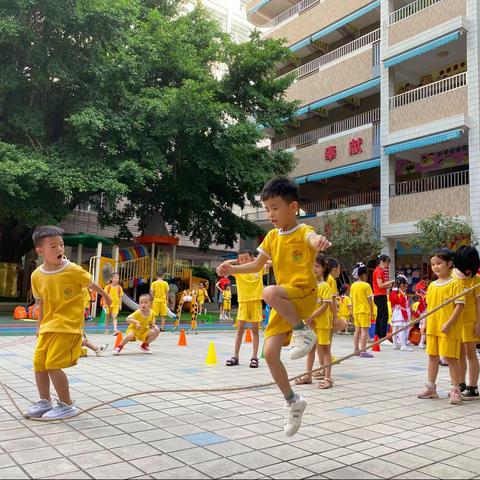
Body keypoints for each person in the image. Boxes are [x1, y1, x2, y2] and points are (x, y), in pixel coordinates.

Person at [217, 175, 331, 437]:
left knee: (267, 291)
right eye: (267, 209)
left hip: (302, 294)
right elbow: (257, 265)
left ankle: (303, 331)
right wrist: (231, 269)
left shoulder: (304, 232)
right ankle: (293, 401)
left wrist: (319, 241)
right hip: (283, 301)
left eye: (275, 208)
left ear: (293, 207)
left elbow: (314, 239)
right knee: (269, 354)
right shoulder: (271, 236)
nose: (270, 214)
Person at [24, 226, 112, 419]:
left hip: (69, 324)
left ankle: (66, 404)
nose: (59, 250)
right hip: (48, 325)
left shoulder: (72, 269)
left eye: (61, 245)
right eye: (53, 246)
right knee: (39, 362)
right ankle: (44, 401)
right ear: (40, 250)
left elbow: (91, 284)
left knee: (52, 363)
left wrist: (106, 295)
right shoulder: (37, 276)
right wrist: (39, 326)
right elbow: (42, 302)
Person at [417, 248, 465, 405]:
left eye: (439, 263)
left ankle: (456, 389)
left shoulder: (456, 283)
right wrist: (424, 322)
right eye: (433, 264)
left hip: (449, 328)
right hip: (433, 327)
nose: (435, 267)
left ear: (449, 263)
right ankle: (431, 388)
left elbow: (459, 306)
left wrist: (449, 323)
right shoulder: (432, 285)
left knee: (451, 358)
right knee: (432, 357)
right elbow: (430, 307)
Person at [225, 249, 269, 368]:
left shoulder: (258, 269)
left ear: (251, 258)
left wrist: (257, 261)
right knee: (239, 331)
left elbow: (271, 263)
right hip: (243, 303)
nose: (244, 261)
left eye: (246, 258)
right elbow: (224, 265)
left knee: (255, 331)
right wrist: (236, 261)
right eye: (241, 259)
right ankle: (235, 356)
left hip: (256, 302)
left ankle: (254, 358)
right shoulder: (237, 271)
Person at [296, 254, 334, 388]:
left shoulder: (325, 286)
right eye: (311, 266)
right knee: (310, 349)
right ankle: (308, 375)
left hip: (322, 323)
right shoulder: (309, 286)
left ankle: (328, 378)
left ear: (323, 268)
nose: (314, 269)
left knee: (325, 350)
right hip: (310, 324)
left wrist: (311, 317)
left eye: (317, 266)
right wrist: (307, 317)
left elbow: (325, 306)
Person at [453, 246, 480, 400]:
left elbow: (478, 303)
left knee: (471, 353)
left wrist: (479, 323)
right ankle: (461, 383)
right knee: (459, 354)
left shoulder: (476, 280)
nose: (469, 271)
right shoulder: (453, 277)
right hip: (456, 321)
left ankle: (473, 386)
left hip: (471, 321)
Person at [350, 263, 375, 358]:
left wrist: (352, 311)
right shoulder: (366, 286)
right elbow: (370, 300)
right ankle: (363, 350)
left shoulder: (353, 286)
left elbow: (351, 299)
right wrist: (372, 311)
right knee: (364, 330)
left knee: (357, 330)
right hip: (364, 311)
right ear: (364, 274)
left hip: (356, 310)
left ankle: (356, 349)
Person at [373, 255, 395, 340]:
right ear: (381, 261)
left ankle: (377, 335)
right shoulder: (379, 271)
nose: (387, 265)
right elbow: (380, 285)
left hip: (379, 295)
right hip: (380, 296)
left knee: (380, 316)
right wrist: (391, 281)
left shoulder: (378, 271)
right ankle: (382, 336)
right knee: (384, 316)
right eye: (386, 263)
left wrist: (389, 284)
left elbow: (381, 285)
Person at [389, 275, 413, 351]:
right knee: (401, 328)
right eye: (405, 283)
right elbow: (398, 301)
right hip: (400, 312)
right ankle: (403, 345)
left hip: (396, 311)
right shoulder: (398, 293)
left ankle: (395, 345)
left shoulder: (396, 292)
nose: (406, 285)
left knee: (395, 329)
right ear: (402, 284)